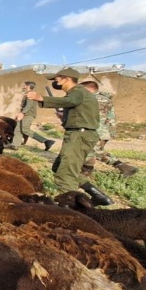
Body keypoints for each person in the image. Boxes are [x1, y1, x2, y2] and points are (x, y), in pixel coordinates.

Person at [26, 67, 113, 206]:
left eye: (57, 79)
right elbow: (78, 111)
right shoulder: (78, 94)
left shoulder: (77, 92)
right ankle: (98, 196)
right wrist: (65, 116)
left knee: (65, 174)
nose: (55, 82)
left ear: (66, 79)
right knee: (59, 167)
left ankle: (72, 208)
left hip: (79, 135)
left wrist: (41, 98)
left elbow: (70, 101)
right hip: (79, 134)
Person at [79, 77, 138, 178]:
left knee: (96, 152)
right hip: (103, 131)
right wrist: (111, 131)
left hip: (97, 131)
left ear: (89, 89)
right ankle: (86, 171)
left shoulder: (95, 99)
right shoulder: (105, 99)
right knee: (89, 152)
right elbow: (111, 117)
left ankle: (123, 166)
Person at [7, 81, 55, 151]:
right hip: (25, 114)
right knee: (18, 129)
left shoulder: (31, 94)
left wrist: (22, 113)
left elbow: (28, 105)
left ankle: (46, 141)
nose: (23, 87)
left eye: (24, 85)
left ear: (28, 86)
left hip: (28, 114)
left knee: (24, 129)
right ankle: (15, 145)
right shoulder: (27, 94)